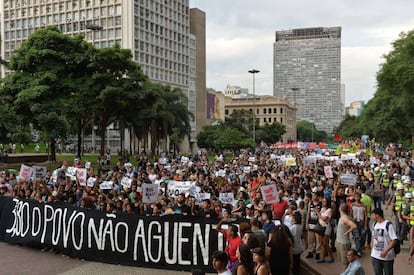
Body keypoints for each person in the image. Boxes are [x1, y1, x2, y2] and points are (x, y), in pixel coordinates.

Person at [371, 208, 398, 275]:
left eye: (373, 215)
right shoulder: (374, 224)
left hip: (387, 257)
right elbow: (373, 237)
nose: (371, 216)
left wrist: (386, 251)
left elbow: (394, 240)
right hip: (375, 256)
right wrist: (372, 249)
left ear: (377, 215)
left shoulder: (388, 225)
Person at [315, 196, 334, 263]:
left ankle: (331, 257)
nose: (323, 202)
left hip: (326, 227)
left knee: (326, 243)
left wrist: (318, 213)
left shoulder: (329, 210)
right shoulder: (322, 208)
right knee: (322, 243)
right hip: (321, 227)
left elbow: (324, 218)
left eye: (324, 201)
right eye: (323, 201)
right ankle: (322, 257)